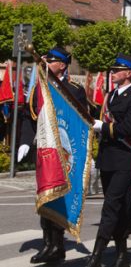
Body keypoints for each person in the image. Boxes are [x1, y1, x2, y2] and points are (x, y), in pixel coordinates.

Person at [18, 47, 88, 265]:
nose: (46, 63)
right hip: (45, 150)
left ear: (62, 65)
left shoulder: (74, 90)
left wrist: (85, 154)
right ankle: (48, 243)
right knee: (45, 195)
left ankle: (57, 245)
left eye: (51, 61)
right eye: (45, 60)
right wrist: (24, 142)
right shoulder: (40, 87)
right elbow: (29, 117)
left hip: (64, 153)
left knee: (59, 198)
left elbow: (82, 122)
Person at [86, 54, 131, 267]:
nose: (112, 73)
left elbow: (129, 128)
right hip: (108, 157)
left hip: (125, 157)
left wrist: (102, 126)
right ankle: (122, 253)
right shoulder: (111, 95)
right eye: (112, 70)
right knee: (119, 207)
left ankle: (97, 254)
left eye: (117, 70)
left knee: (111, 205)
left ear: (129, 73)